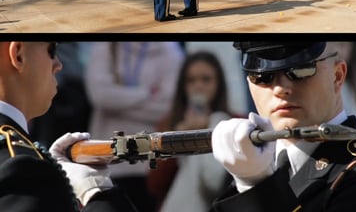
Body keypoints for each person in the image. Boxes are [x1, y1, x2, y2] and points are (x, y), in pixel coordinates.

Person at [210, 42, 356, 211]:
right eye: (262, 75)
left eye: (300, 70)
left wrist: (257, 187)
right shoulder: (248, 165)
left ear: (337, 76)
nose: (279, 88)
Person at [0, 42, 136, 211]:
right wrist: (97, 192)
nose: (58, 64)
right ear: (19, 55)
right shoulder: (20, 167)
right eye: (51, 50)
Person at [85, 42, 184, 212]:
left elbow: (168, 107)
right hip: (108, 163)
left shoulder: (170, 50)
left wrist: (117, 103)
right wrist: (147, 93)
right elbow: (100, 96)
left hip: (148, 166)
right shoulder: (105, 46)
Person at [157, 51, 233, 212]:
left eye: (206, 79)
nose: (198, 86)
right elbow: (155, 185)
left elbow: (219, 182)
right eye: (191, 80)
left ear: (218, 83)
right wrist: (177, 141)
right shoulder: (168, 124)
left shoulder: (233, 122)